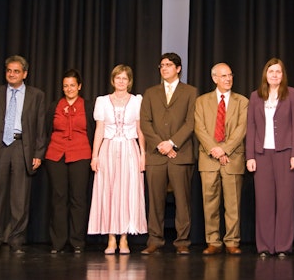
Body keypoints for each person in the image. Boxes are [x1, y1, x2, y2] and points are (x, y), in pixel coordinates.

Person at [0, 55, 47, 254]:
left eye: (16, 71)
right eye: (9, 70)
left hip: (21, 147)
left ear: (25, 74)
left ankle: (16, 238)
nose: (12, 74)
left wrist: (38, 152)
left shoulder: (37, 95)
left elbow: (41, 127)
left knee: (20, 197)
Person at [140, 52, 198, 255]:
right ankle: (155, 239)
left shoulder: (191, 92)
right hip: (156, 155)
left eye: (168, 65)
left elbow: (191, 122)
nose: (164, 68)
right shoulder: (150, 93)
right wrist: (160, 145)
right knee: (155, 200)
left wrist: (172, 143)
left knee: (182, 201)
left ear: (178, 69)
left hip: (180, 155)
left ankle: (182, 241)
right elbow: (145, 122)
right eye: (162, 65)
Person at [246, 57, 294, 258]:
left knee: (285, 202)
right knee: (264, 202)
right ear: (266, 75)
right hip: (262, 155)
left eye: (278, 72)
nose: (275, 75)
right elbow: (251, 127)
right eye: (271, 72)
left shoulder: (293, 95)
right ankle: (264, 247)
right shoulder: (255, 96)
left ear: (283, 75)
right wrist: (250, 156)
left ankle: (282, 247)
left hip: (286, 154)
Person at [88, 64, 148, 254]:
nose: (121, 82)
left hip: (130, 148)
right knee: (109, 192)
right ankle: (111, 238)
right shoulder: (102, 101)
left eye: (125, 78)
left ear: (129, 82)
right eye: (118, 78)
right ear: (113, 80)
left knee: (128, 193)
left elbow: (140, 131)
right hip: (108, 148)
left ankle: (124, 238)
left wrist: (143, 154)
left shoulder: (137, 101)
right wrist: (95, 156)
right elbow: (99, 129)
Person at [194, 63, 248, 255]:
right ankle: (213, 242)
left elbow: (242, 129)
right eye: (223, 76)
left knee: (232, 204)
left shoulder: (243, 101)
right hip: (208, 158)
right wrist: (214, 150)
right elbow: (199, 128)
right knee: (210, 203)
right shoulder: (201, 101)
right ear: (214, 78)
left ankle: (232, 241)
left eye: (230, 75)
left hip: (232, 158)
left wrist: (224, 150)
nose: (228, 79)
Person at [45, 69, 95, 254]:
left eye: (72, 85)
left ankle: (77, 241)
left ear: (79, 86)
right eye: (65, 86)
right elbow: (47, 130)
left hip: (81, 154)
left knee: (78, 199)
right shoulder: (54, 106)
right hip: (56, 154)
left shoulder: (88, 106)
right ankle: (58, 242)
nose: (69, 89)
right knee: (58, 198)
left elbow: (94, 130)